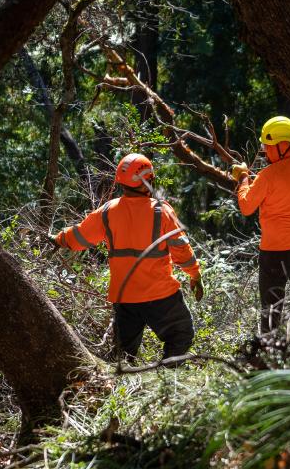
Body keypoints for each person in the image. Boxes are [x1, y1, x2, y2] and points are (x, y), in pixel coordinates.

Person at [52, 153, 203, 361]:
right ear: (147, 180)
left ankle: (125, 388)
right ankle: (168, 379)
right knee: (181, 335)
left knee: (123, 355)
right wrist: (195, 274)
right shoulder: (162, 211)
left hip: (125, 297)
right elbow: (181, 249)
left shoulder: (108, 211)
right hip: (160, 295)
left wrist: (57, 239)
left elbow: (78, 237)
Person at [232, 116, 290, 334]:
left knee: (272, 303)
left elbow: (246, 206)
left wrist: (244, 178)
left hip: (275, 249)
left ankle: (270, 348)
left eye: (268, 146)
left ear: (284, 145)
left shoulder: (267, 176)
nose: (265, 151)